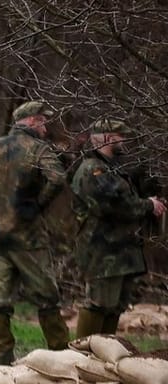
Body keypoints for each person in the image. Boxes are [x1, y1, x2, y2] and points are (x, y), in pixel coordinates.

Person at [0, 101, 71, 364]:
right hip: (28, 237)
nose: (46, 126)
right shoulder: (37, 148)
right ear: (32, 121)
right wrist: (38, 204)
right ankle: (61, 357)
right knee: (47, 298)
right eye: (43, 121)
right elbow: (57, 178)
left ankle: (1, 360)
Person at [70, 119, 164, 337]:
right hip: (102, 252)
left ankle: (102, 353)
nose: (125, 142)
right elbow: (112, 205)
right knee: (98, 304)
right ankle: (83, 355)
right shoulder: (92, 169)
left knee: (115, 306)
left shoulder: (112, 169)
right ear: (109, 138)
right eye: (122, 137)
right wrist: (148, 205)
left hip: (121, 252)